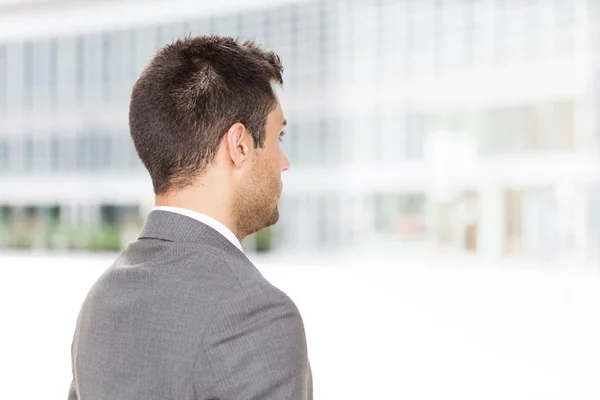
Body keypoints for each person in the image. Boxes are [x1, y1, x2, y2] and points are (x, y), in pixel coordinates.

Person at [68, 35, 312, 400]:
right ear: (239, 145)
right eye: (279, 136)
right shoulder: (256, 314)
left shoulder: (101, 300)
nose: (284, 161)